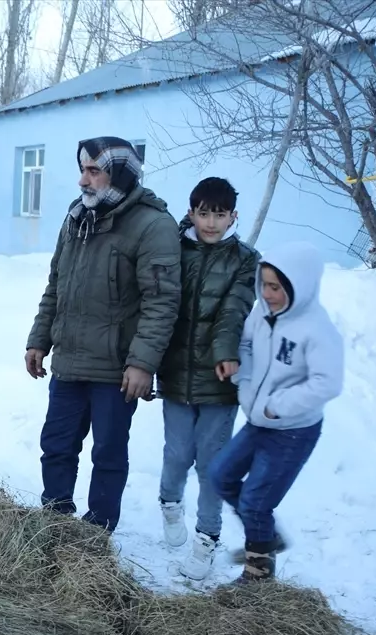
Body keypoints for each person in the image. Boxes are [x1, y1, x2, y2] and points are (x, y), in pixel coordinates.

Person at [25, 136, 181, 532]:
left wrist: (143, 363)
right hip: (69, 362)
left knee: (108, 455)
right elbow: (56, 284)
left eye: (94, 171)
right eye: (82, 169)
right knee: (56, 447)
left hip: (116, 370)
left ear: (120, 174)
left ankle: (96, 535)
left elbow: (161, 303)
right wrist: (39, 338)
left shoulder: (153, 225)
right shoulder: (77, 217)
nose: (83, 180)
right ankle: (56, 525)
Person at [208, 241, 344, 583]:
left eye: (276, 287)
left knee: (255, 502)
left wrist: (276, 406)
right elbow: (247, 345)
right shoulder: (262, 313)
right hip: (258, 421)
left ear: (299, 286)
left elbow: (327, 383)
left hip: (293, 431)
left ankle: (258, 573)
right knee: (221, 476)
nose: (267, 294)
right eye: (264, 284)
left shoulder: (317, 329)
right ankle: (266, 538)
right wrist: (242, 376)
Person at [155, 178, 259, 579]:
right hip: (177, 372)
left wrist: (226, 354)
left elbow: (234, 310)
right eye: (204, 212)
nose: (211, 222)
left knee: (210, 464)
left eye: (220, 214)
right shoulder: (173, 250)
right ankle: (169, 502)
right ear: (191, 211)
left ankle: (206, 540)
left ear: (234, 215)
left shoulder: (245, 259)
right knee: (178, 454)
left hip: (221, 377)